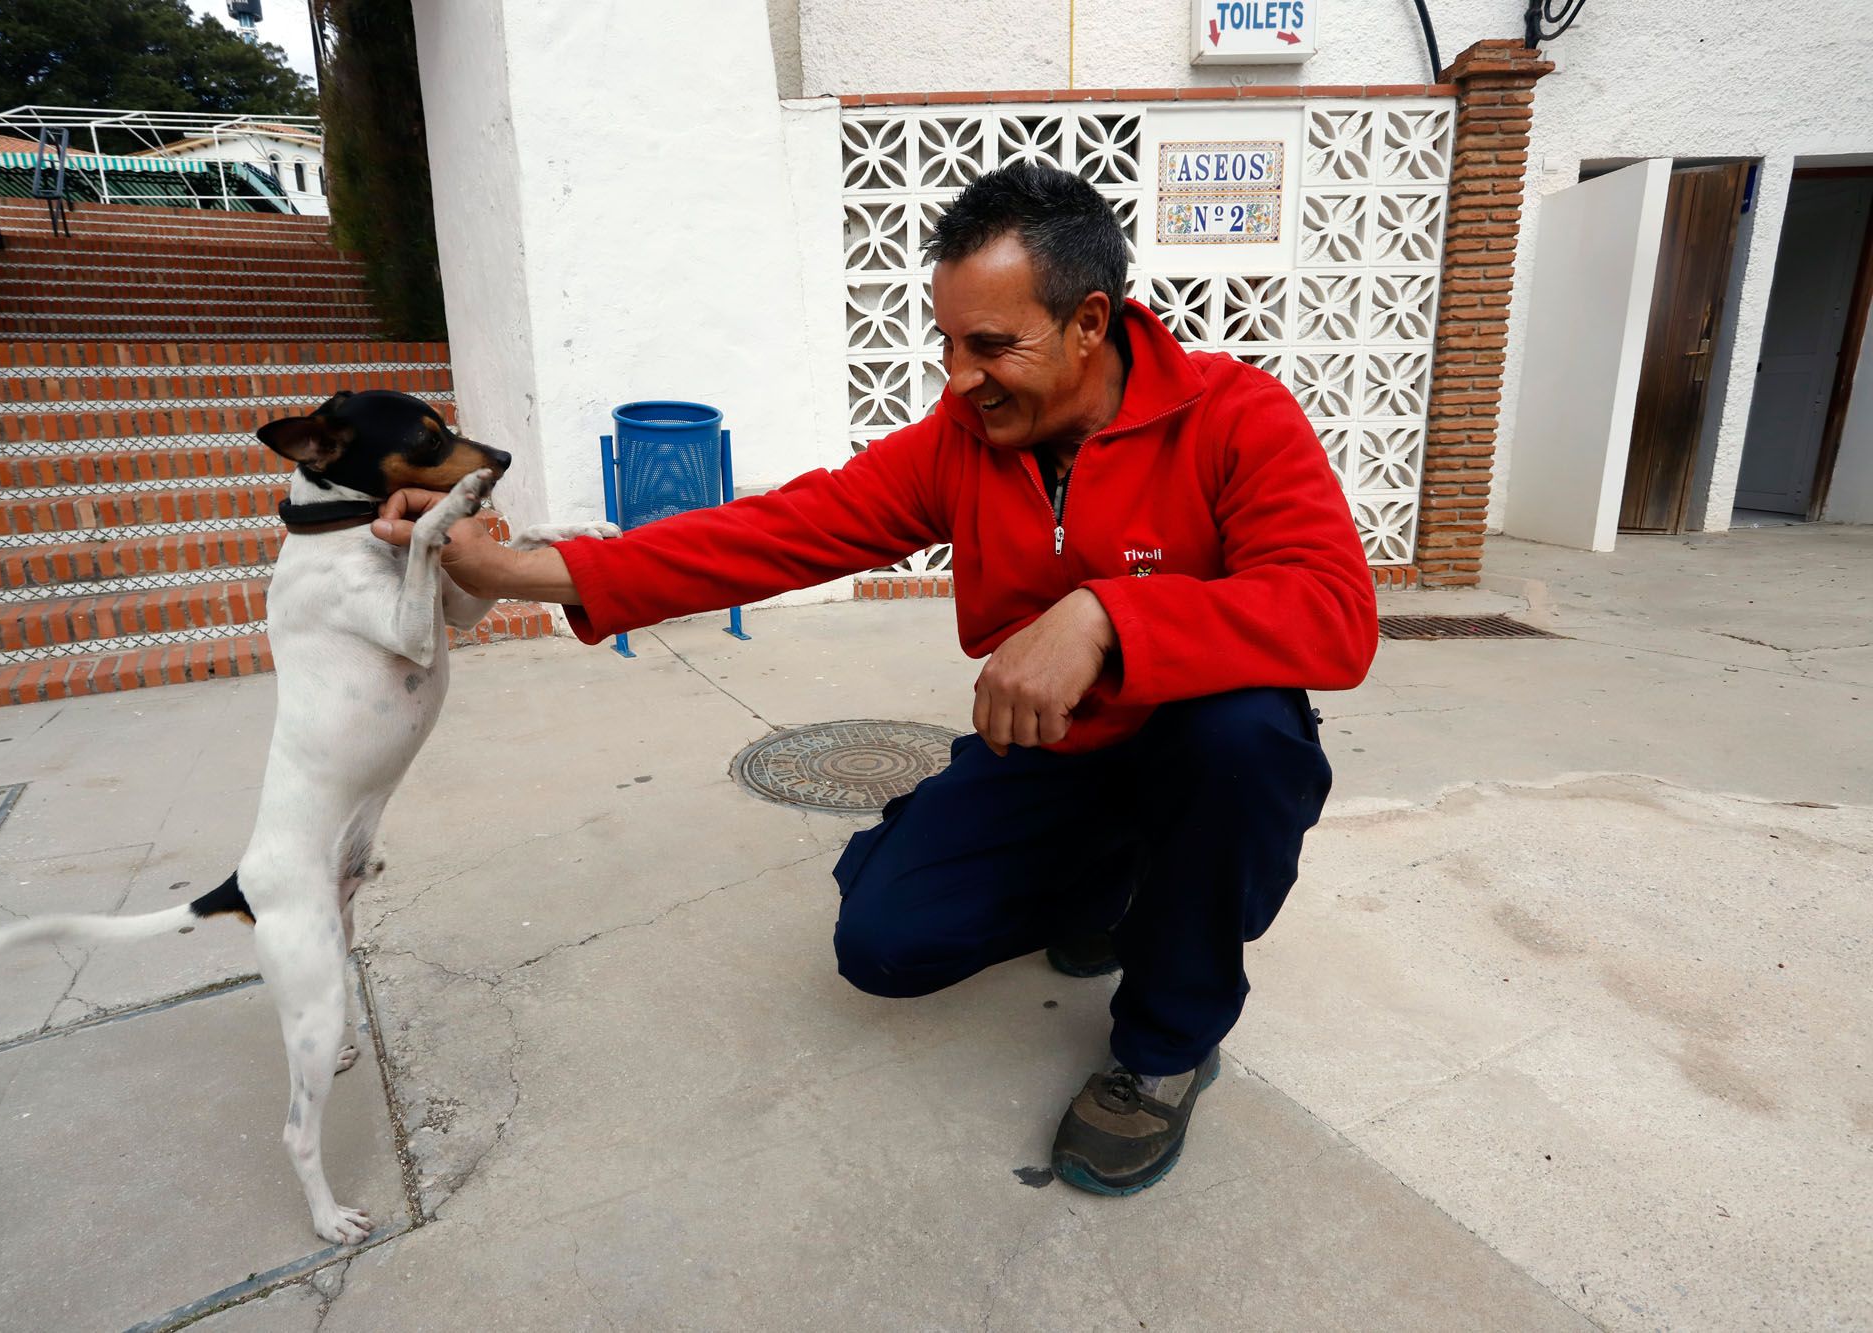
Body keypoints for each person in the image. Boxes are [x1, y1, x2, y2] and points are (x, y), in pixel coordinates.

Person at [372, 163, 1378, 1196]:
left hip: (1194, 755)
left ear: (1087, 321)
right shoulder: (962, 445)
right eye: (945, 341)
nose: (957, 377)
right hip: (1053, 753)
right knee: (885, 942)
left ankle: (1165, 1046)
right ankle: (1107, 889)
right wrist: (521, 573)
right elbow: (778, 532)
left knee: (1243, 738)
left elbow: (1334, 612)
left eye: (989, 345)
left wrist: (1103, 616)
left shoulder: (1234, 415)